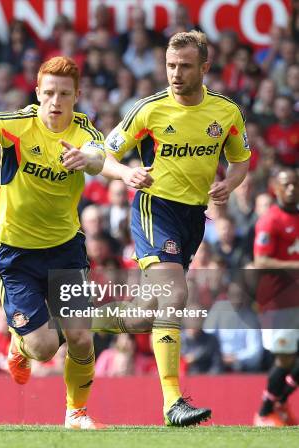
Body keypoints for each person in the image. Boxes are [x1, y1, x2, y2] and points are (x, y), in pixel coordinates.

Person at [0, 56, 106, 429]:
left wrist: (91, 159)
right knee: (44, 348)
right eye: (49, 92)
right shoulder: (16, 124)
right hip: (16, 253)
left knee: (81, 336)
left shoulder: (84, 133)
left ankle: (76, 413)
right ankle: (18, 347)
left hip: (65, 247)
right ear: (37, 92)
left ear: (77, 96)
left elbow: (102, 155)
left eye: (64, 94)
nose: (56, 101)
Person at [100, 31, 251, 426]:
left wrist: (229, 184)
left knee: (144, 314)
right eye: (170, 65)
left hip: (192, 217)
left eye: (185, 66)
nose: (176, 73)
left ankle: (83, 320)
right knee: (175, 293)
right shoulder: (148, 110)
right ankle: (172, 402)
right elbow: (104, 153)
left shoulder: (226, 112)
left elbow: (240, 161)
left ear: (204, 67)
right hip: (155, 208)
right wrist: (126, 172)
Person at [253, 168, 299, 426]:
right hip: (278, 301)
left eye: (294, 184)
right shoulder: (270, 220)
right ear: (276, 189)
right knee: (285, 358)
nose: (291, 188)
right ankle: (264, 413)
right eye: (286, 185)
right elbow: (261, 261)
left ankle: (278, 404)